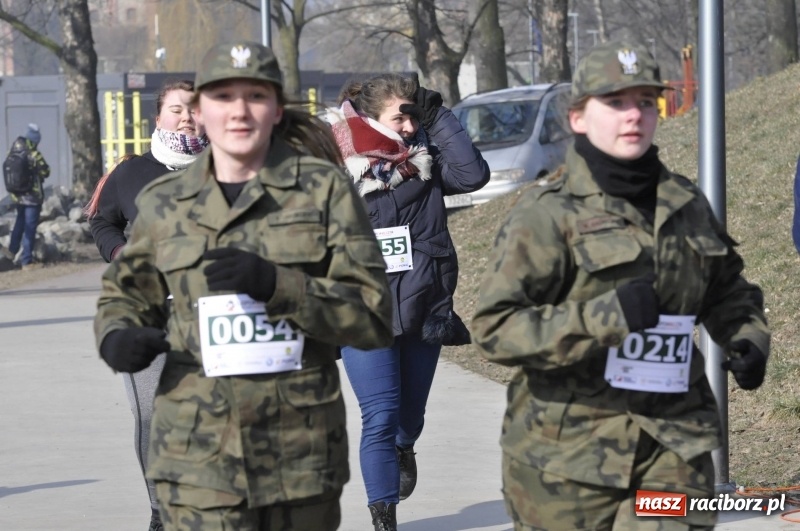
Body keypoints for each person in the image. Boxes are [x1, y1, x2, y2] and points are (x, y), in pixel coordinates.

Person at [94, 41, 393, 531]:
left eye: (254, 96)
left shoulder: (324, 191)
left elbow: (373, 314)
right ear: (201, 110)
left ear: (276, 109)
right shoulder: (166, 201)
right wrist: (118, 335)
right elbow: (126, 295)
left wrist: (279, 286)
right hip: (196, 456)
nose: (238, 111)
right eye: (222, 96)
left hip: (298, 459)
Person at [471, 40, 770, 531]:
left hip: (675, 454)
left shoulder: (684, 201)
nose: (633, 115)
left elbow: (726, 287)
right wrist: (606, 317)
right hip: (570, 464)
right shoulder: (547, 213)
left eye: (645, 103)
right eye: (614, 102)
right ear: (578, 118)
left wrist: (747, 336)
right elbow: (495, 328)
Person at [327, 73, 489, 530]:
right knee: (377, 415)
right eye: (401, 116)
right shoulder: (333, 166)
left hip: (423, 305)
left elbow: (473, 175)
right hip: (361, 309)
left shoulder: (428, 163)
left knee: (407, 418)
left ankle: (405, 444)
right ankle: (384, 519)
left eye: (414, 116)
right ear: (371, 117)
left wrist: (438, 116)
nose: (409, 126)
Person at [85, 79, 207, 531]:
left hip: (213, 314)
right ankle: (160, 509)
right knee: (151, 413)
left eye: (194, 109)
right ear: (158, 118)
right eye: (177, 110)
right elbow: (102, 221)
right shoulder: (132, 171)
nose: (187, 117)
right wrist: (119, 253)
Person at [2, 123, 50, 269]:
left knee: (19, 223)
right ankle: (26, 261)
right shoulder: (33, 154)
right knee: (30, 227)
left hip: (18, 196)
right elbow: (46, 171)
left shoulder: (12, 150)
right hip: (32, 197)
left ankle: (11, 252)